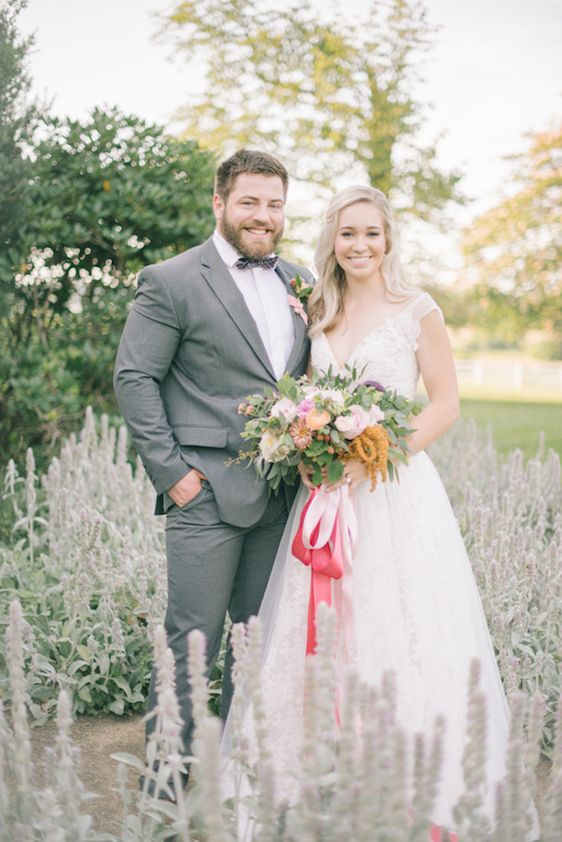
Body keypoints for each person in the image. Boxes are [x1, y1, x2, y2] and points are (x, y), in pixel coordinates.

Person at [225, 184, 538, 834]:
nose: (360, 245)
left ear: (388, 238)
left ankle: (408, 779)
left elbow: (446, 402)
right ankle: (311, 772)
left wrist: (375, 453)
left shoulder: (417, 309)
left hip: (393, 489)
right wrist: (312, 442)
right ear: (331, 242)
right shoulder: (318, 310)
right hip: (327, 494)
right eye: (347, 234)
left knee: (400, 624)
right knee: (326, 627)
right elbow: (305, 397)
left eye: (371, 233)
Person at [113, 149, 313, 793]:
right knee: (189, 642)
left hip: (281, 497)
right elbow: (134, 376)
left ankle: (236, 780)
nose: (263, 215)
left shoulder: (302, 280)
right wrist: (173, 474)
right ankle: (165, 789)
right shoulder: (171, 280)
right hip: (203, 493)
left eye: (274, 203)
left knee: (257, 643)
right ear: (220, 203)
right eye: (250, 201)